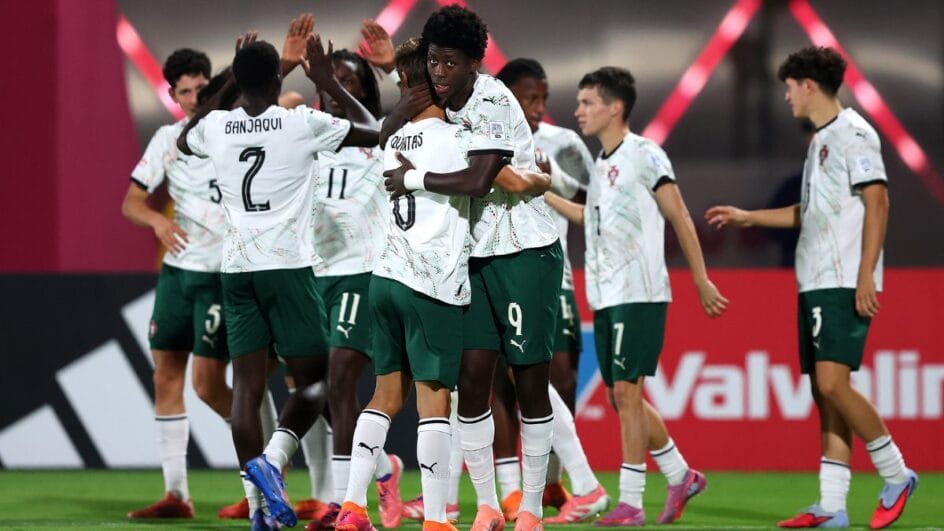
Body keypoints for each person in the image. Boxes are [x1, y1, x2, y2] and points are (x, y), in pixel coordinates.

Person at [705, 46, 918, 530]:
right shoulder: (820, 141)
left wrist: (866, 274)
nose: (785, 97)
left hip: (843, 279)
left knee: (832, 384)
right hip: (815, 280)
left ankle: (897, 472)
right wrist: (748, 215)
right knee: (826, 396)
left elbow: (879, 201)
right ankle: (833, 507)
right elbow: (811, 212)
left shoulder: (855, 133)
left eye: (788, 87)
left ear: (808, 85)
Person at [178, 33, 379, 530]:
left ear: (237, 80)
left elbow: (187, 137)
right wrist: (327, 80)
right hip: (288, 266)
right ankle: (272, 458)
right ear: (278, 78)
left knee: (246, 388)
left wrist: (229, 84)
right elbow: (372, 130)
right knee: (315, 382)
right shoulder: (300, 123)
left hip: (236, 269)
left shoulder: (218, 128)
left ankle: (258, 508)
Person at [382, 7, 560, 531]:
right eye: (434, 61)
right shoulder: (436, 99)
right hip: (474, 257)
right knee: (471, 379)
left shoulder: (493, 100)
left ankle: (530, 509)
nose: (439, 71)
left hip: (524, 253)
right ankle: (487, 505)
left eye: (450, 63)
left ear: (474, 64)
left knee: (529, 383)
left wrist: (413, 180)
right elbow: (385, 127)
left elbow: (481, 179)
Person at [545, 66, 727, 526]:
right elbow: (589, 218)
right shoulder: (603, 165)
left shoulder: (646, 155)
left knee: (627, 393)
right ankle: (680, 474)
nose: (578, 110)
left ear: (615, 107)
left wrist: (702, 279)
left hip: (639, 291)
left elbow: (681, 216)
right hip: (605, 295)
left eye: (588, 102)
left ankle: (630, 502)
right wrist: (541, 190)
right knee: (618, 396)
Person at [332, 37, 472, 531]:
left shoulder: (392, 139)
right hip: (430, 283)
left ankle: (351, 506)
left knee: (384, 397)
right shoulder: (456, 138)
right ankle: (436, 519)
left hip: (384, 278)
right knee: (435, 400)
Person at [122, 48, 238, 520]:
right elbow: (131, 201)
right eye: (185, 91)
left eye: (201, 88)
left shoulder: (234, 131)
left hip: (221, 275)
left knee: (210, 386)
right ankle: (177, 495)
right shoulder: (168, 139)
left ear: (214, 87)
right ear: (172, 95)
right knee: (165, 376)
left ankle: (268, 465)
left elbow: (288, 98)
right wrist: (156, 222)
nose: (193, 98)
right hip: (177, 275)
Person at [304, 40, 404, 530]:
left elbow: (381, 128)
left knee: (341, 377)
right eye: (332, 83)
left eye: (349, 82)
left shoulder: (382, 139)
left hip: (362, 272)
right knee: (313, 388)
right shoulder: (308, 139)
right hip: (312, 276)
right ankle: (383, 468)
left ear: (365, 90)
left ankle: (347, 504)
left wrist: (324, 79)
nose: (338, 91)